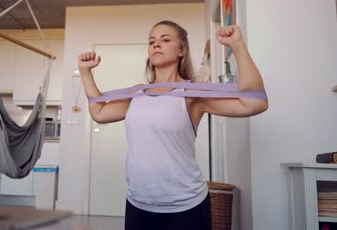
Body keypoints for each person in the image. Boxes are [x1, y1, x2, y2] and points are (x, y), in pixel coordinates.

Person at [77, 20, 268, 230]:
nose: (156, 45)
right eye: (152, 42)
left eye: (165, 40)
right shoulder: (137, 93)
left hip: (186, 207)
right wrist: (86, 72)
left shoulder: (192, 94)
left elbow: (255, 103)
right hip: (138, 204)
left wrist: (237, 45)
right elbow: (99, 111)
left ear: (181, 51)